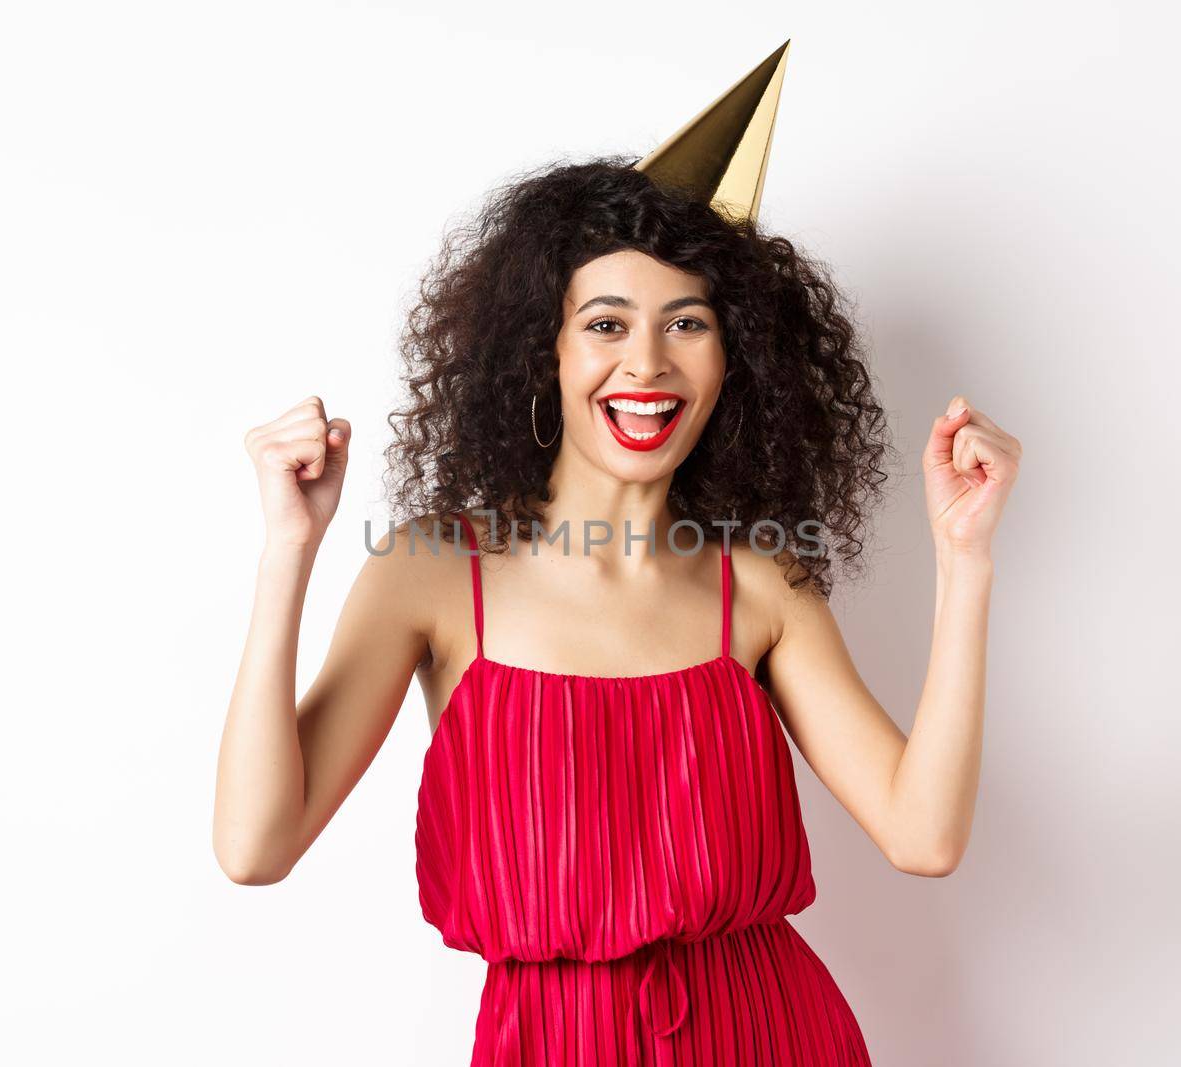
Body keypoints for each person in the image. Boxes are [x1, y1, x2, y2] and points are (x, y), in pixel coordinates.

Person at [213, 50, 1020, 1067]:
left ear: (735, 359)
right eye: (606, 323)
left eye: (688, 323)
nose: (647, 363)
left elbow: (923, 835)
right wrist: (289, 550)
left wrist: (966, 558)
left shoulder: (761, 587)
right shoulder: (429, 575)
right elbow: (254, 846)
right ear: (540, 352)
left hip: (772, 1035)